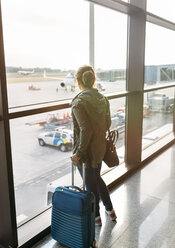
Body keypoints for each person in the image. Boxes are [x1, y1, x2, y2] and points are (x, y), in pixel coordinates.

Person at [71, 65, 117, 226]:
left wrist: (78, 152)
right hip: (100, 148)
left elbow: (85, 129)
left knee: (90, 184)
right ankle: (110, 210)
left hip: (86, 152)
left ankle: (96, 217)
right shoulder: (103, 99)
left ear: (78, 81)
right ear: (93, 79)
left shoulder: (78, 103)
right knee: (97, 178)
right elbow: (108, 123)